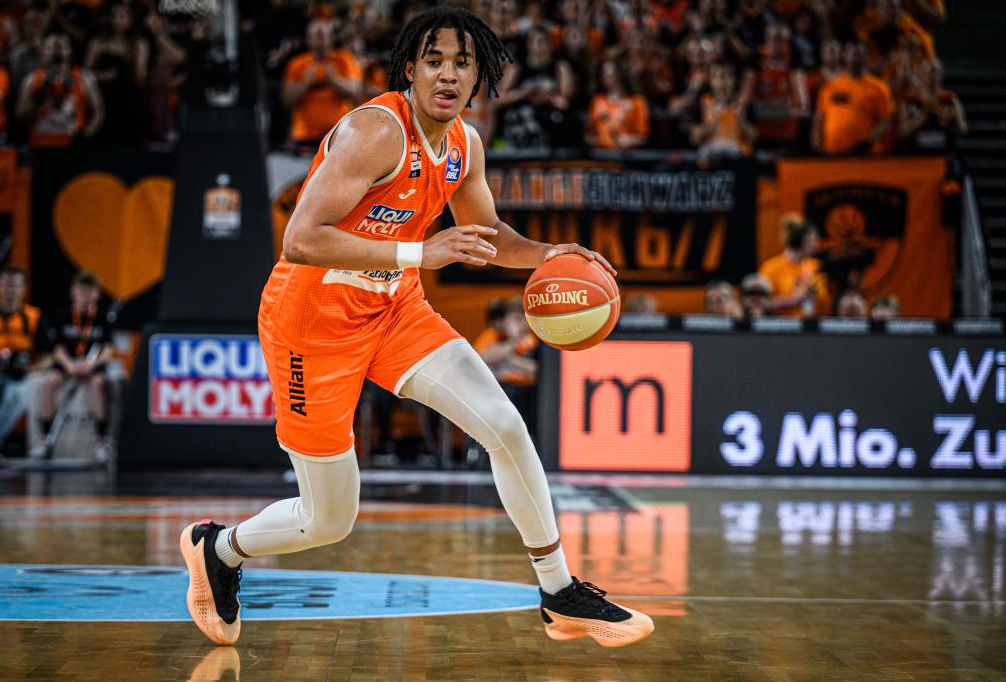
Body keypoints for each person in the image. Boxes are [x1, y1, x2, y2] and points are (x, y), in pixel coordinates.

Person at [179, 6, 654, 650]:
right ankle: (221, 548)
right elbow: (301, 239)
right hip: (311, 322)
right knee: (328, 519)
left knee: (506, 427)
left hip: (395, 309)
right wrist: (420, 254)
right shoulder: (375, 132)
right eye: (435, 60)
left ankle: (559, 591)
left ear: (479, 76)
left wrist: (547, 253)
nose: (449, 75)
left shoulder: (464, 144)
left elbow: (489, 238)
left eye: (463, 63)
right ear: (410, 67)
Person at [35, 271, 116, 461]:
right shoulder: (63, 314)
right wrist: (69, 365)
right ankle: (45, 439)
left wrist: (91, 364)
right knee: (49, 382)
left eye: (90, 292)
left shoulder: (103, 317)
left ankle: (101, 441)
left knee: (98, 385)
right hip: (68, 363)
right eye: (82, 291)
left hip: (91, 365)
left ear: (97, 294)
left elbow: (108, 349)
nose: (85, 296)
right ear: (73, 292)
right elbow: (57, 348)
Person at [281, 19, 363, 151]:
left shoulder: (344, 59)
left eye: (324, 36)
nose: (320, 42)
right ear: (308, 39)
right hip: (305, 138)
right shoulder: (296, 64)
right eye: (316, 37)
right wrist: (305, 84)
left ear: (331, 38)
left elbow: (356, 92)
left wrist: (334, 81)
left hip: (340, 135)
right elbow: (286, 100)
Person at [16, 33, 104, 147]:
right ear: (43, 52)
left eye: (62, 46)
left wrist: (86, 134)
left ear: (70, 51)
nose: (56, 50)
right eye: (50, 47)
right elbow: (19, 116)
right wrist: (37, 101)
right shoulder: (31, 79)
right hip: (40, 144)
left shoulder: (84, 77)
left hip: (72, 145)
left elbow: (98, 112)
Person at [84, 2, 149, 146]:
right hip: (102, 97)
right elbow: (85, 74)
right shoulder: (98, 43)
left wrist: (134, 60)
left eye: (122, 16)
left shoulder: (139, 44)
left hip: (129, 98)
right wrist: (102, 76)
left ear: (131, 20)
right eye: (114, 16)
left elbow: (140, 79)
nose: (117, 20)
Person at [811, 41, 892, 155]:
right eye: (852, 53)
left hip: (864, 154)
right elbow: (819, 117)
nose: (855, 57)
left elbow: (885, 121)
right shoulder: (830, 85)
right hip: (831, 152)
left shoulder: (878, 87)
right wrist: (816, 145)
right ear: (844, 56)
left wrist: (867, 142)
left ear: (866, 57)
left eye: (859, 54)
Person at [0, 267, 43, 462]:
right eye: (5, 284)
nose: (10, 290)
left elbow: (51, 354)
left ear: (23, 289)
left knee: (19, 394)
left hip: (22, 376)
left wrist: (31, 369)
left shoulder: (33, 317)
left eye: (15, 285)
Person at [472, 296, 538, 431]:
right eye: (514, 319)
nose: (518, 324)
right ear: (505, 320)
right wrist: (514, 341)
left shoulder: (532, 341)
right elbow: (481, 360)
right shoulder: (492, 336)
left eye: (522, 319)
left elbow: (539, 370)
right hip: (498, 395)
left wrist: (510, 360)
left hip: (527, 397)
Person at [759, 213, 830, 317]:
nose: (817, 245)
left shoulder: (817, 266)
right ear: (799, 240)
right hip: (783, 328)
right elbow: (761, 303)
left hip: (815, 327)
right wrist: (793, 300)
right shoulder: (771, 267)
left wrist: (815, 294)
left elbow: (827, 302)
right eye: (813, 240)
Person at [587, 60, 649, 150]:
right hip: (599, 156)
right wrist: (597, 140)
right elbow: (589, 133)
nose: (604, 77)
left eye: (609, 74)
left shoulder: (637, 102)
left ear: (619, 75)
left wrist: (628, 140)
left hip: (623, 157)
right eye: (603, 74)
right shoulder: (597, 101)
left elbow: (643, 137)